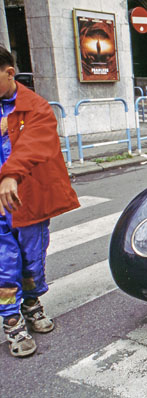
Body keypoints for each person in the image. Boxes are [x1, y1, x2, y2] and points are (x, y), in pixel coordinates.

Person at [0, 46, 80, 357]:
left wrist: (10, 175)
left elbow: (38, 142)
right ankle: (11, 321)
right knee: (4, 265)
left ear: (9, 73)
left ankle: (32, 303)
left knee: (32, 260)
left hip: (27, 203)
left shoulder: (36, 107)